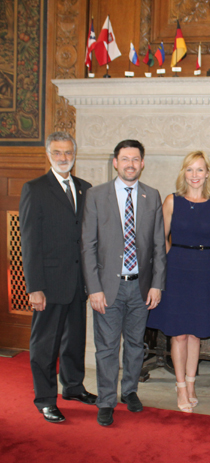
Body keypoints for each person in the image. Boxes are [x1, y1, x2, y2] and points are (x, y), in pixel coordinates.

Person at [81, 139, 166, 427]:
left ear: (142, 163)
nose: (130, 164)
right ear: (115, 162)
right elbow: (87, 245)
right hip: (107, 288)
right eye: (125, 159)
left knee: (134, 344)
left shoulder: (152, 196)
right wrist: (93, 288)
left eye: (136, 159)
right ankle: (106, 401)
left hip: (140, 288)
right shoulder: (96, 195)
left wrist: (157, 284)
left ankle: (129, 391)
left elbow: (158, 245)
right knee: (106, 348)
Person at [19, 131, 96, 423]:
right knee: (45, 345)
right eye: (58, 153)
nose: (64, 158)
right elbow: (29, 242)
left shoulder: (85, 187)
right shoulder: (35, 188)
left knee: (75, 340)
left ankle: (73, 388)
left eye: (68, 153)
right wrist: (34, 287)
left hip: (78, 282)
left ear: (74, 155)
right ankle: (45, 399)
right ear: (48, 154)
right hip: (48, 284)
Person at [147, 151, 210, 413]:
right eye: (190, 170)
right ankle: (180, 387)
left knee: (196, 333)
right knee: (178, 333)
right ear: (184, 173)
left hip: (204, 270)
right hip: (176, 270)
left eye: (200, 169)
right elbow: (159, 239)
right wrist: (167, 263)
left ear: (207, 173)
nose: (194, 175)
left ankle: (191, 385)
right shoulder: (172, 201)